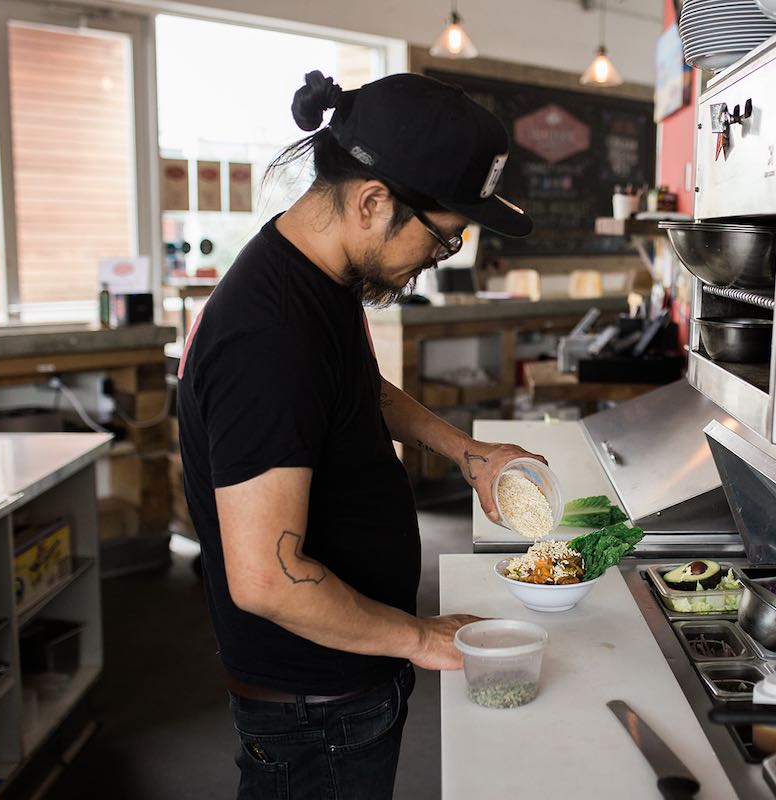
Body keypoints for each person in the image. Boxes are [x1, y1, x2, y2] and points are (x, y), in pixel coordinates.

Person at [176, 71, 543, 800]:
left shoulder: (319, 275)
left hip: (350, 674)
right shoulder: (266, 337)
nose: (434, 264)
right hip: (315, 709)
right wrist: (420, 637)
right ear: (374, 202)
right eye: (442, 241)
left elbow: (354, 392)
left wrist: (464, 451)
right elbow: (267, 579)